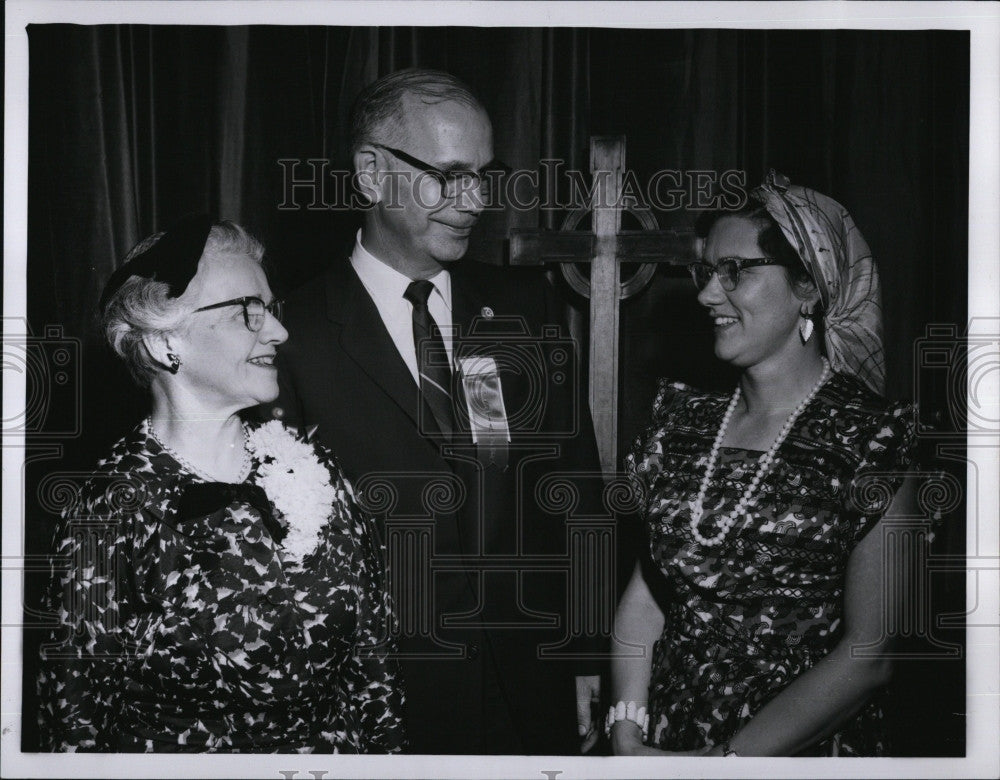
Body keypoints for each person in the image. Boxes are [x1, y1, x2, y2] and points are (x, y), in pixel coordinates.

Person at [269, 68, 606, 754]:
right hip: (384, 706)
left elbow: (575, 494)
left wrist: (586, 654)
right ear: (370, 174)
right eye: (450, 175)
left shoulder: (523, 307)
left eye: (484, 175)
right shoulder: (288, 335)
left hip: (530, 692)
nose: (474, 200)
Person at [36, 215, 404, 752]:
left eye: (270, 308)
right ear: (165, 342)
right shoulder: (110, 512)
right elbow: (75, 729)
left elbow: (377, 672)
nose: (277, 330)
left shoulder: (311, 463)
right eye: (247, 312)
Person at [609, 171, 919, 756]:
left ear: (809, 286)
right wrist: (626, 729)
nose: (706, 294)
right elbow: (650, 594)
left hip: (797, 752)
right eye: (707, 271)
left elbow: (868, 655)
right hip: (664, 744)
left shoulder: (873, 439)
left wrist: (727, 765)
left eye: (737, 271)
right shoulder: (679, 421)